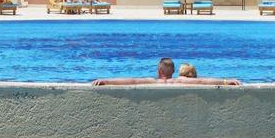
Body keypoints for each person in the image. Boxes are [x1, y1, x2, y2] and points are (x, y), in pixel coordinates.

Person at [92, 58, 240, 86]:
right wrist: (226, 81)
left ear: (159, 70)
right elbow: (202, 81)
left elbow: (132, 81)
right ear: (174, 71)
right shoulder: (180, 81)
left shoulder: (153, 82)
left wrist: (107, 81)